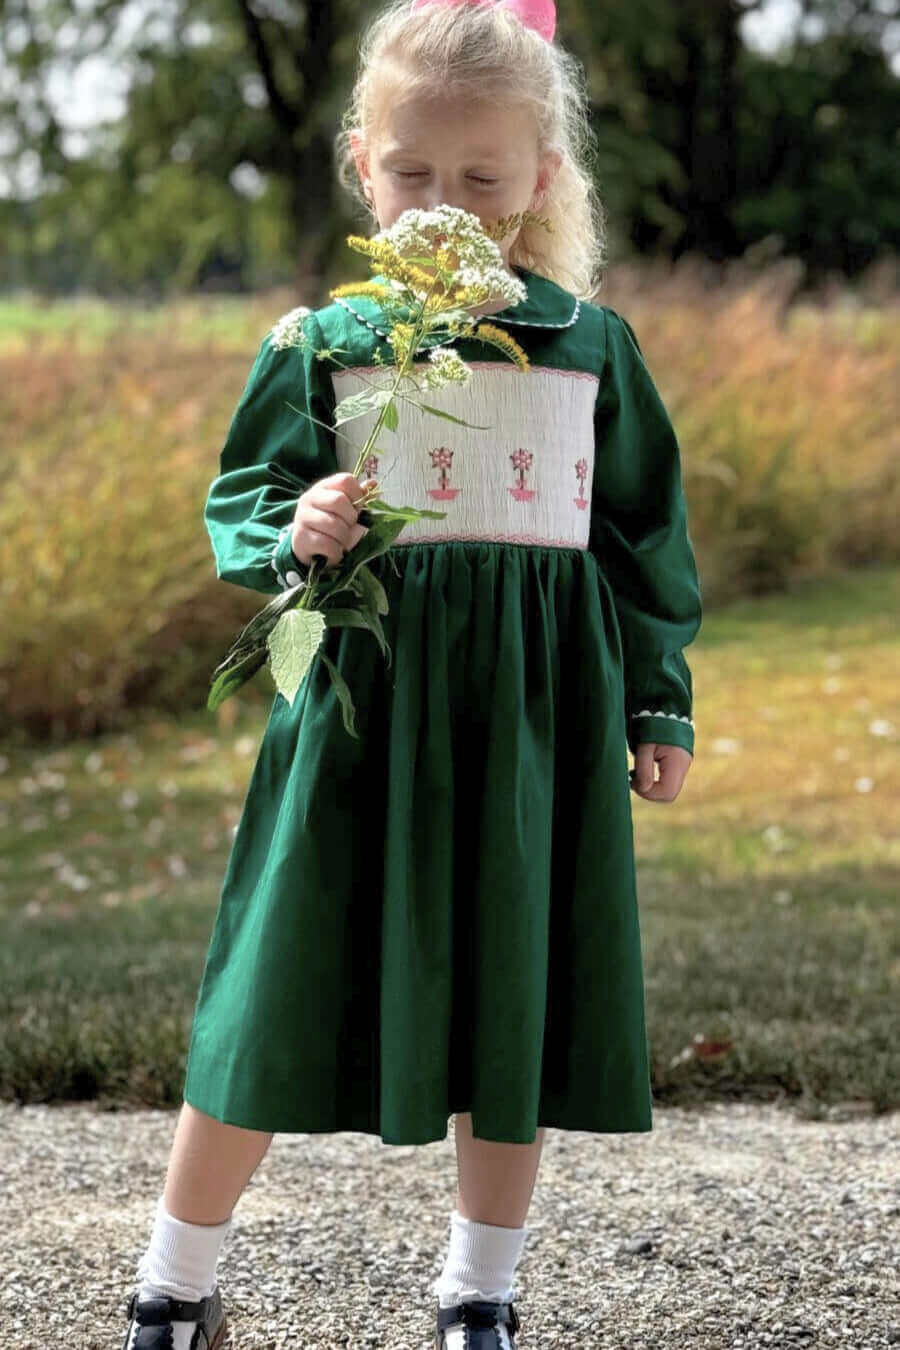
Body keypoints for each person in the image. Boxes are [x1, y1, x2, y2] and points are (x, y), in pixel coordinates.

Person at [121, 1, 702, 1348]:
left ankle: (479, 1292)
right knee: (274, 977)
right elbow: (245, 501)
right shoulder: (320, 342)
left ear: (541, 176)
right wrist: (295, 528)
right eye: (414, 173)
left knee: (511, 986)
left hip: (529, 722)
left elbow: (642, 538)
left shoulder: (587, 346)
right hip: (360, 708)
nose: (447, 201)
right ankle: (172, 1280)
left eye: (483, 178)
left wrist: (655, 695)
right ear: (361, 165)